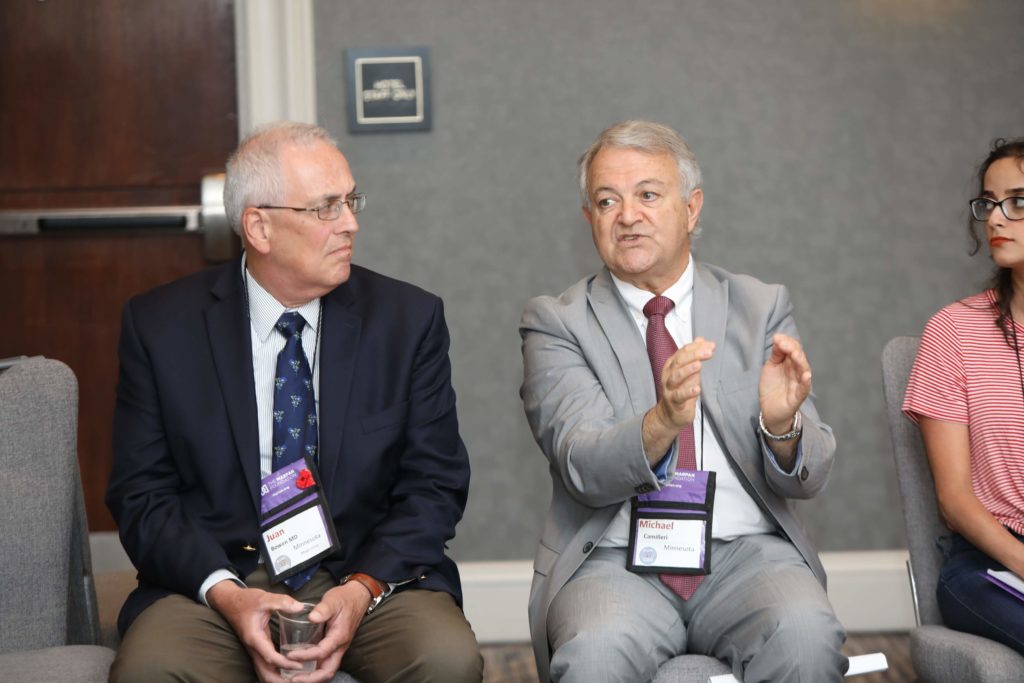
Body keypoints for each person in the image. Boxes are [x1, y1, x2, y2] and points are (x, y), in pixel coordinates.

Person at [106, 121, 483, 682]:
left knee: (446, 660)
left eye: (351, 201)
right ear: (259, 226)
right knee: (151, 670)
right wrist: (230, 597)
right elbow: (142, 494)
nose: (351, 223)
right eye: (326, 208)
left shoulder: (407, 322)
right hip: (220, 577)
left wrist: (360, 592)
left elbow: (434, 485)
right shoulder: (162, 328)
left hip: (365, 573)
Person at [519, 120, 846, 682]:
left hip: (747, 554)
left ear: (692, 209)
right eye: (607, 200)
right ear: (589, 219)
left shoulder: (758, 305)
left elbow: (808, 477)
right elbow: (582, 467)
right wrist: (662, 423)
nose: (627, 215)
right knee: (593, 655)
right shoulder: (557, 323)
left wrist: (781, 426)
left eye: (648, 195)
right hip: (614, 563)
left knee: (806, 635)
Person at [903, 138, 1024, 656]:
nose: (995, 219)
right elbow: (955, 502)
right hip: (990, 564)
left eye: (1018, 202)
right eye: (988, 203)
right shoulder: (954, 331)